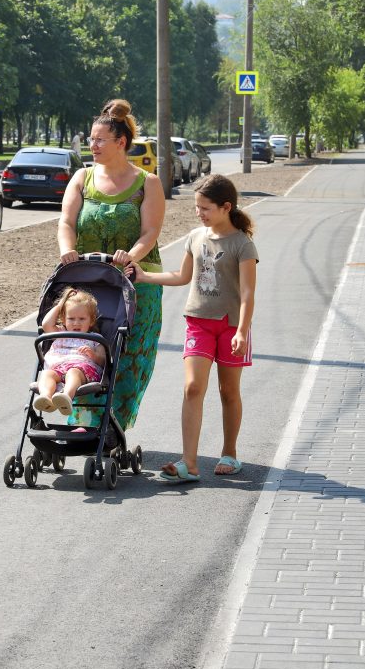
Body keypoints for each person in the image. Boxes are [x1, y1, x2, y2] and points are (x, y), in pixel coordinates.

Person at [128, 174, 258, 482]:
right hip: (198, 323)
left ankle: (230, 453)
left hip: (230, 327)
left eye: (205, 208)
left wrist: (241, 331)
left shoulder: (243, 244)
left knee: (228, 391)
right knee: (192, 387)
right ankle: (189, 463)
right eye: (197, 207)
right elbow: (182, 276)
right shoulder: (195, 237)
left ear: (226, 207)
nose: (199, 213)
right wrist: (144, 276)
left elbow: (248, 293)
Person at [57, 98, 165, 431]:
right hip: (88, 282)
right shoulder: (82, 178)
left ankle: (113, 425)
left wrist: (131, 255)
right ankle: (84, 423)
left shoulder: (148, 182)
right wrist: (67, 249)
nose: (93, 145)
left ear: (121, 142)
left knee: (127, 356)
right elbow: (66, 221)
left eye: (100, 139)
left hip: (136, 283)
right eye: (91, 138)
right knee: (83, 350)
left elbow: (151, 232)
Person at [33, 288, 106, 416]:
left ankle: (66, 396)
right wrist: (61, 304)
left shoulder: (95, 338)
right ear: (63, 318)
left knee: (73, 372)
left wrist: (93, 355)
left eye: (82, 319)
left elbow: (103, 360)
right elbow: (46, 324)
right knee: (47, 374)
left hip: (83, 371)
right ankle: (46, 397)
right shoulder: (61, 333)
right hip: (57, 368)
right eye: (71, 319)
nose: (76, 323)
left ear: (91, 321)